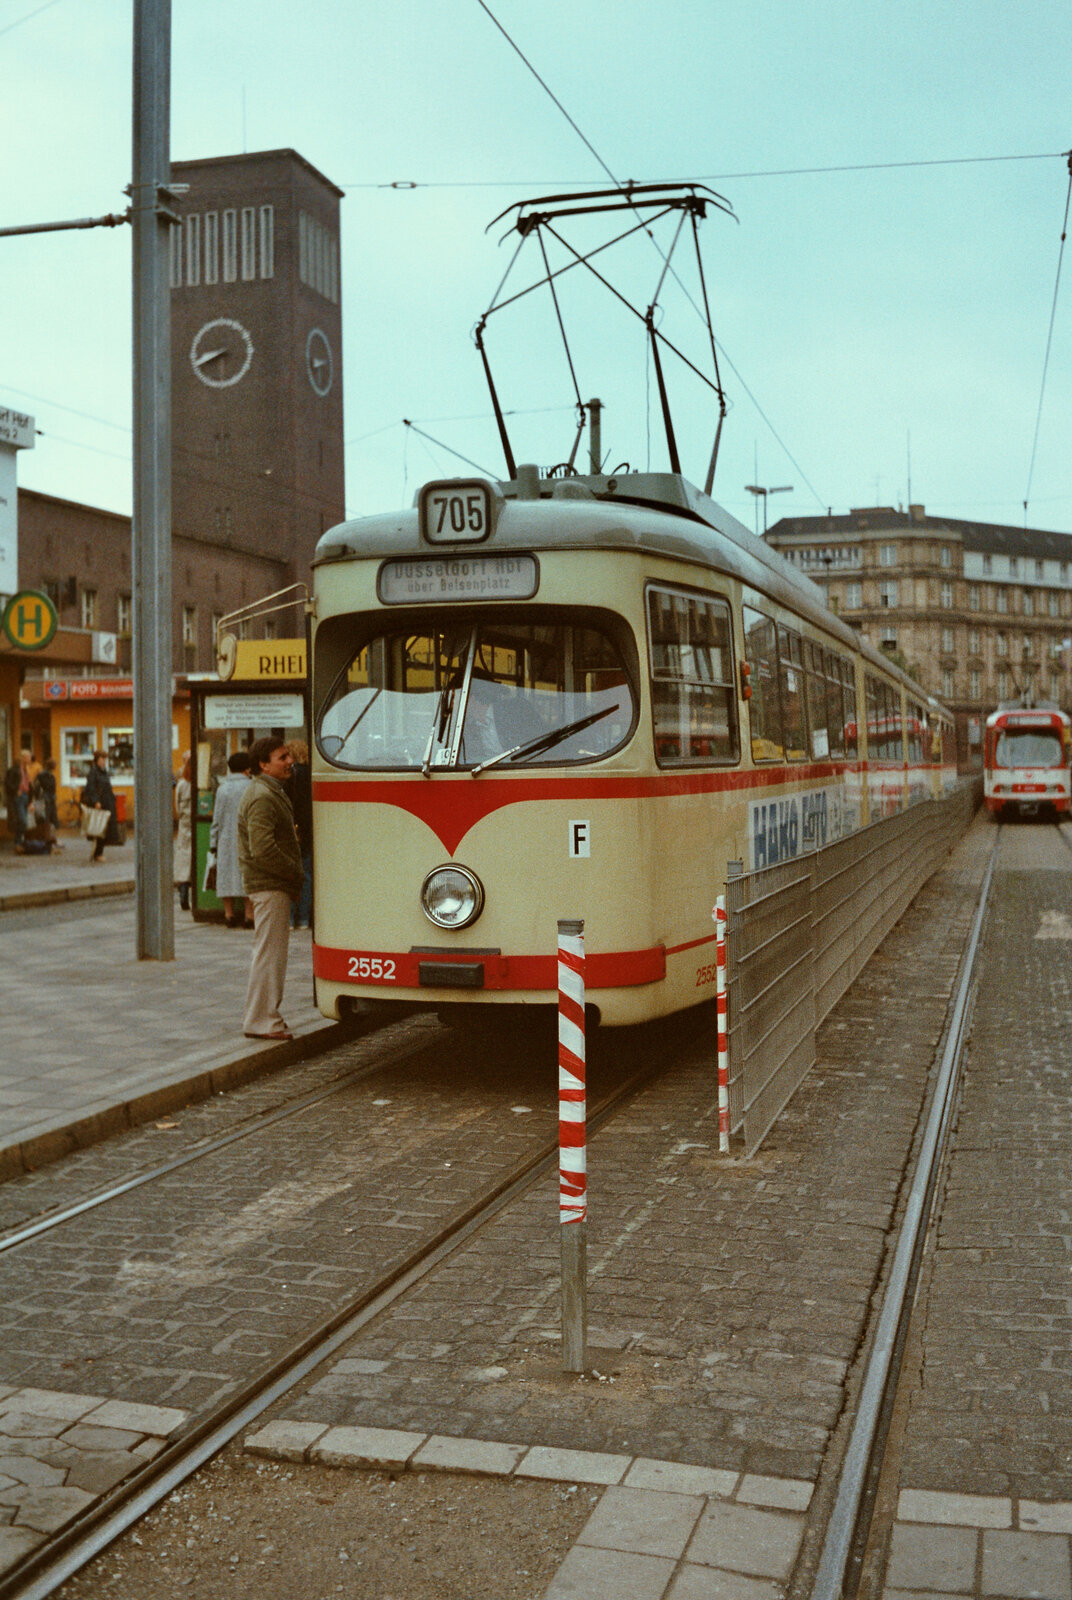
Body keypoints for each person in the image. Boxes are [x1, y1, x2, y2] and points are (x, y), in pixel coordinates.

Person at [237, 736, 303, 1040]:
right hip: (269, 884)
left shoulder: (269, 791)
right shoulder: (262, 795)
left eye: (288, 755)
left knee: (270, 952)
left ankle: (263, 1016)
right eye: (282, 757)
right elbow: (262, 849)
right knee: (269, 954)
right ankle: (262, 1020)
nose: (289, 761)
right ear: (263, 765)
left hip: (271, 883)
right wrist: (294, 873)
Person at [209, 750, 253, 928]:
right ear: (247, 769)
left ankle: (229, 915)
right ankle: (249, 916)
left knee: (226, 876)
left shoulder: (223, 789)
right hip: (247, 838)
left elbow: (217, 819)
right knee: (247, 876)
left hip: (226, 839)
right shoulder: (252, 786)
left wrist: (213, 843)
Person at [285, 738, 313, 930]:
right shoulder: (310, 774)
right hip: (308, 830)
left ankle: (290, 918)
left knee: (291, 875)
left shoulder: (290, 775)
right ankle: (304, 919)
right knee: (307, 875)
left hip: (293, 829)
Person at [80, 750, 120, 864]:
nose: (104, 762)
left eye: (105, 759)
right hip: (100, 803)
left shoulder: (104, 771)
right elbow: (90, 788)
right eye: (102, 759)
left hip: (108, 802)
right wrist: (95, 801)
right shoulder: (93, 772)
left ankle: (98, 852)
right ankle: (98, 853)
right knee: (99, 828)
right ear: (96, 760)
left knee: (105, 828)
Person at [173, 755, 193, 911]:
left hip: (184, 825)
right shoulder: (200, 783)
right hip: (195, 824)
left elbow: (177, 808)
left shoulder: (181, 784)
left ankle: (183, 894)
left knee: (183, 859)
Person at [3, 750, 32, 851]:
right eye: (28, 757)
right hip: (18, 797)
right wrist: (16, 790)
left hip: (25, 796)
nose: (30, 758)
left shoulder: (25, 769)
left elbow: (28, 784)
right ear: (23, 758)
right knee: (22, 820)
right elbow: (7, 783)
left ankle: (19, 842)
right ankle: (18, 841)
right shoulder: (14, 770)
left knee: (22, 820)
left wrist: (30, 800)